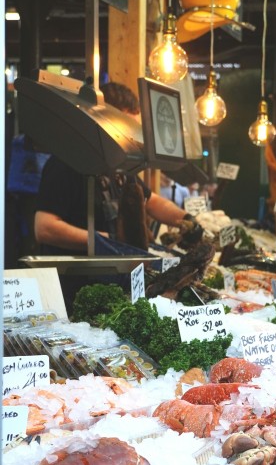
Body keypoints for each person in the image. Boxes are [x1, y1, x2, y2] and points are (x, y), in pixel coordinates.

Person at [34, 81, 202, 308]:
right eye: (127, 128)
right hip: (75, 294)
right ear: (103, 121)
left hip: (115, 286)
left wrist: (187, 220)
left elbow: (150, 201)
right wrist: (103, 240)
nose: (131, 137)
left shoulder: (121, 166)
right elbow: (44, 227)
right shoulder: (66, 163)